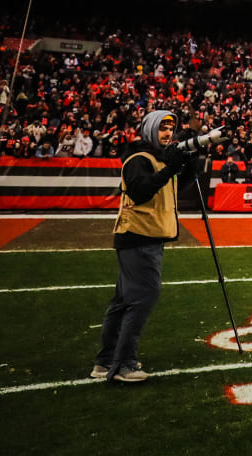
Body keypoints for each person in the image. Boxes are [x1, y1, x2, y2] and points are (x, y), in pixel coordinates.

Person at [92, 110, 195, 383]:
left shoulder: (157, 160)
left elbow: (167, 189)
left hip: (144, 237)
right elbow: (140, 192)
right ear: (149, 129)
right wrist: (172, 168)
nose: (168, 134)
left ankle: (104, 361)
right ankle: (123, 364)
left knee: (123, 302)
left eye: (171, 129)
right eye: (162, 128)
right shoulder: (139, 159)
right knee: (142, 298)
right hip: (139, 237)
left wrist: (187, 168)